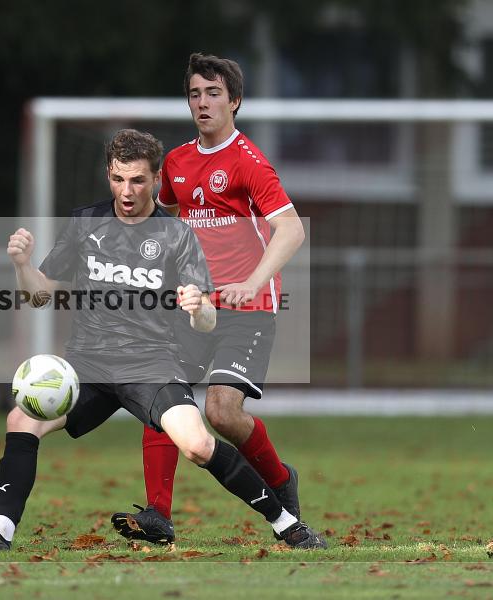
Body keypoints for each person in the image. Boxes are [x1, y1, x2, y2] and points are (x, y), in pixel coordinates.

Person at [0, 129, 321, 551]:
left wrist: (199, 305)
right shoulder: (85, 222)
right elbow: (39, 293)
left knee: (197, 445)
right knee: (21, 419)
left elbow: (208, 323)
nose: (126, 190)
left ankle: (287, 522)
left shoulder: (178, 235)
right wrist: (21, 264)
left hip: (152, 366)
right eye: (119, 179)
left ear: (157, 180)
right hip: (89, 366)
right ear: (109, 175)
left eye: (137, 180)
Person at [110, 54, 326, 549]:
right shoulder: (179, 163)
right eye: (194, 94)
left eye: (212, 93)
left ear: (234, 101)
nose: (202, 102)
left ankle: (279, 479)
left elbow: (291, 230)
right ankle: (157, 515)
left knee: (223, 412)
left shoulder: (249, 162)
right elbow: (160, 215)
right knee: (163, 395)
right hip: (194, 306)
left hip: (247, 311)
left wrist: (251, 281)